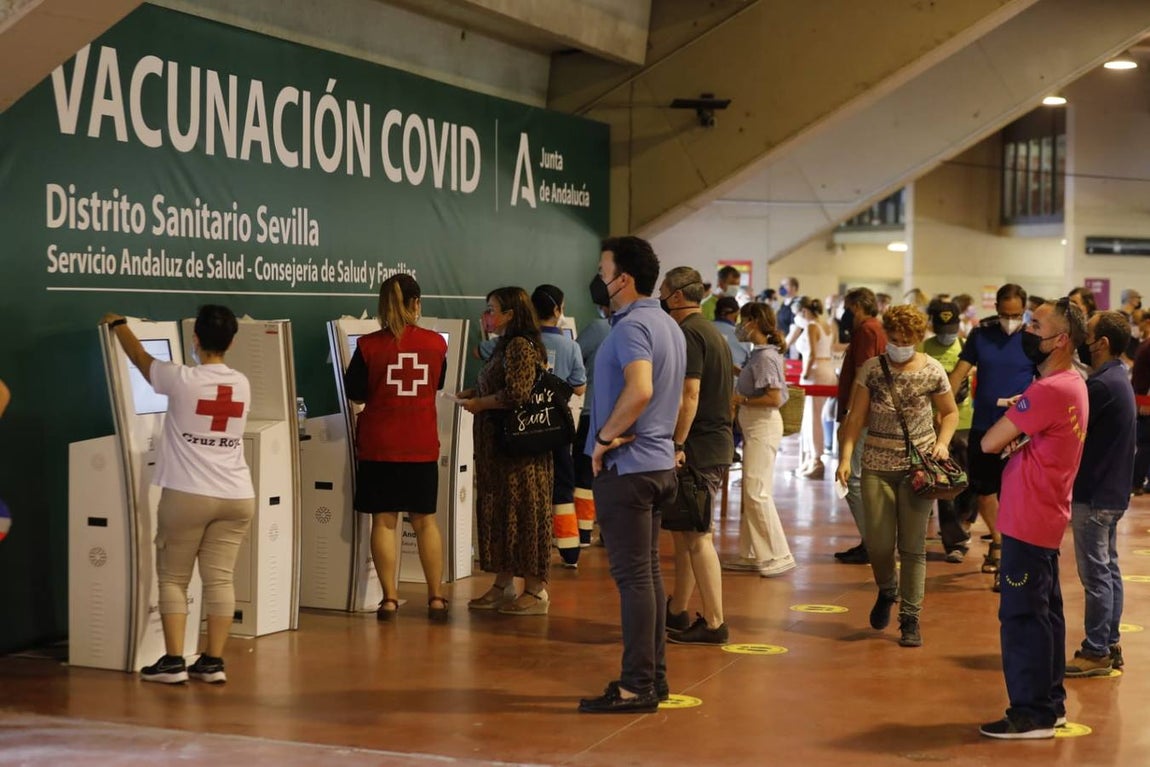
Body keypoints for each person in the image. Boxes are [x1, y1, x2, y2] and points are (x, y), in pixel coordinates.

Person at [103, 306, 254, 684]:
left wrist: (119, 325)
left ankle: (173, 662)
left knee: (173, 578)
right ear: (232, 341)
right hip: (237, 494)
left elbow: (141, 359)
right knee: (220, 579)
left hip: (188, 494)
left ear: (195, 339)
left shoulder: (182, 379)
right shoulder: (242, 384)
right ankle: (213, 662)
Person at [578, 236, 685, 714]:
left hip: (629, 467)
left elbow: (639, 390)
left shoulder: (631, 328)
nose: (599, 279)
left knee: (635, 579)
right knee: (649, 576)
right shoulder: (667, 325)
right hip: (658, 464)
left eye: (604, 270)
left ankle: (637, 684)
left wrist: (603, 439)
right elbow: (678, 396)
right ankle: (653, 679)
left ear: (624, 279)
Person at [978, 298, 1088, 740]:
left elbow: (989, 442)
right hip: (1044, 513)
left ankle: (1031, 713)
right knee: (1045, 615)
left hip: (1028, 517)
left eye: (1036, 325)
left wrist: (1016, 417)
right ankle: (1050, 704)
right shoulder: (1072, 382)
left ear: (1060, 339)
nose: (1027, 330)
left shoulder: (1049, 390)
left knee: (1022, 617)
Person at [836, 305, 958, 648]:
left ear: (919, 338)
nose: (899, 345)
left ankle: (910, 617)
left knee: (913, 546)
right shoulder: (872, 369)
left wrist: (944, 444)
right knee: (877, 542)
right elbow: (855, 417)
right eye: (894, 338)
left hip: (918, 468)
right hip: (876, 463)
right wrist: (845, 458)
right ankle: (887, 588)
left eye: (907, 340)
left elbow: (948, 413)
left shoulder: (933, 370)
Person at [344, 274, 449, 621]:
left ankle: (389, 599)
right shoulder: (436, 344)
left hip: (379, 447)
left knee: (384, 522)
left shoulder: (367, 347)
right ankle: (435, 598)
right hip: (420, 444)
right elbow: (436, 383)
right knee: (425, 522)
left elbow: (355, 393)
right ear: (416, 303)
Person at [460, 287, 554, 615]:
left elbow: (518, 394)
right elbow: (501, 385)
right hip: (499, 453)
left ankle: (535, 590)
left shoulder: (518, 346)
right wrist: (473, 392)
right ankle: (503, 584)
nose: (486, 316)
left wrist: (479, 403)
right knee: (502, 515)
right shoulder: (502, 346)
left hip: (520, 455)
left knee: (525, 515)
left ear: (510, 314)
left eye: (491, 309)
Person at [658, 267, 733, 647]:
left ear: (674, 296)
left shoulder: (688, 334)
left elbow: (690, 394)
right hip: (713, 442)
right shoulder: (711, 332)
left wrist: (676, 443)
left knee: (699, 537)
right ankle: (677, 609)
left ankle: (715, 621)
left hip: (698, 448)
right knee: (684, 535)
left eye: (662, 290)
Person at [949, 284, 1035, 590]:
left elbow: (1048, 379)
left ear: (1024, 310)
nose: (1010, 320)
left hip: (1020, 430)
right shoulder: (981, 334)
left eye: (1015, 314)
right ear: (996, 309)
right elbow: (959, 372)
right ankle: (998, 540)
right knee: (984, 491)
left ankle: (1006, 555)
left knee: (1014, 492)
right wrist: (943, 405)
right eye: (1004, 314)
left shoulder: (1033, 338)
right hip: (984, 425)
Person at [1064, 311, 1136, 677]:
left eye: (1087, 334)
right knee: (1108, 571)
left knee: (1095, 576)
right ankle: (1108, 642)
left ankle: (1095, 651)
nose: (1082, 340)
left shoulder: (1102, 385)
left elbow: (1068, 424)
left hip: (1094, 494)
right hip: (1112, 491)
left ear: (1102, 343)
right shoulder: (1117, 377)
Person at [725, 302, 796, 577]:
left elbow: (773, 397)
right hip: (755, 426)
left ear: (753, 321)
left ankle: (778, 554)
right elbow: (755, 381)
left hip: (762, 426)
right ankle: (752, 552)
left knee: (757, 491)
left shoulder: (765, 357)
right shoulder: (760, 355)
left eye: (742, 320)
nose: (739, 326)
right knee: (752, 490)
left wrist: (739, 399)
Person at [531, 284, 587, 568]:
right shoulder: (570, 345)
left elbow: (482, 351)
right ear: (557, 310)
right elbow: (579, 388)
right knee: (563, 486)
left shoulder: (522, 341)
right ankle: (569, 551)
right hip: (557, 427)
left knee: (531, 486)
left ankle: (532, 547)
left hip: (525, 427)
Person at [834, 288, 888, 564]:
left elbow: (863, 373)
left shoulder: (867, 330)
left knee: (851, 478)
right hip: (865, 413)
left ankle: (874, 543)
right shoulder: (873, 329)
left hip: (862, 415)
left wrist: (849, 415)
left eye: (847, 308)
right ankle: (870, 541)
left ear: (856, 306)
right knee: (857, 479)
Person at [920, 301, 976, 562]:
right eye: (943, 328)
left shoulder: (965, 347)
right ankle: (954, 541)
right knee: (945, 484)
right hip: (934, 425)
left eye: (951, 328)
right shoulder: (924, 348)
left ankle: (966, 522)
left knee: (969, 483)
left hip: (965, 422)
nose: (947, 334)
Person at [574, 276, 613, 546]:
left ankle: (584, 533)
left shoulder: (599, 327)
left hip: (592, 413)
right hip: (623, 418)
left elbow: (575, 357)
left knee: (584, 475)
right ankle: (610, 534)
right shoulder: (633, 327)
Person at [793, 297, 836, 479]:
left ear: (804, 311)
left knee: (813, 418)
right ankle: (811, 459)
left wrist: (804, 374)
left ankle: (816, 460)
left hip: (816, 371)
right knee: (814, 417)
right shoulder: (826, 324)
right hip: (828, 369)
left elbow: (811, 353)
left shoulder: (811, 326)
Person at [1133, 318, 1150, 496]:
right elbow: (1141, 379)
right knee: (1145, 445)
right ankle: (1136, 482)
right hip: (1145, 403)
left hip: (1144, 400)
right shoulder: (1147, 346)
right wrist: (1144, 402)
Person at [713, 296, 751, 373]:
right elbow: (749, 364)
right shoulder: (742, 334)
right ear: (736, 314)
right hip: (735, 382)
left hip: (705, 382)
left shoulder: (704, 329)